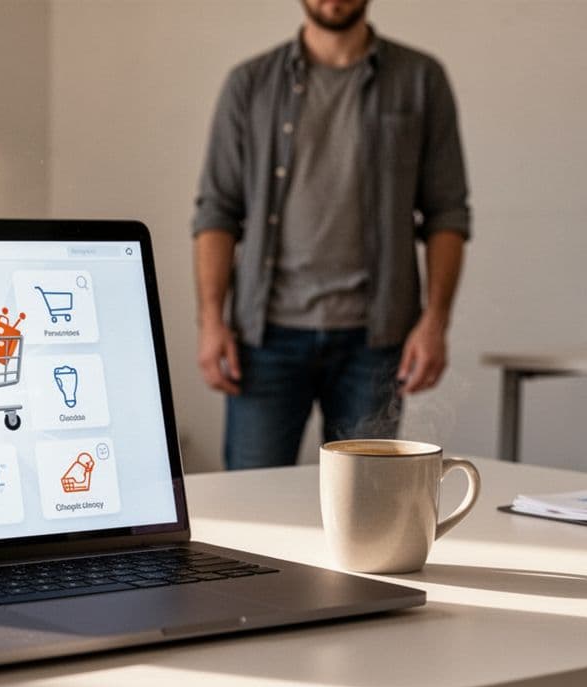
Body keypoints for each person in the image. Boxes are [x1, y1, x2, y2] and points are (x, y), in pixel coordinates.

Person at [192, 0, 471, 470]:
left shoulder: (421, 78)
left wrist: (435, 323)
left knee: (367, 497)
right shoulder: (250, 83)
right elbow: (217, 211)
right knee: (251, 493)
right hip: (264, 340)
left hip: (376, 341)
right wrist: (210, 322)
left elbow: (447, 213)